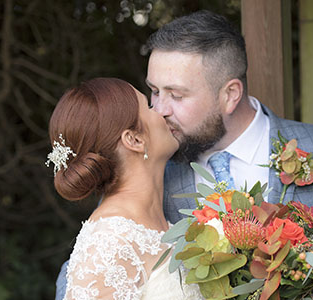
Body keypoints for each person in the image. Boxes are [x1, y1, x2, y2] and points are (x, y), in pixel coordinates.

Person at [55, 10, 313, 299]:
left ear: (230, 94)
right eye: (154, 91)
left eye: (175, 95)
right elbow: (85, 275)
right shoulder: (149, 174)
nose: (160, 109)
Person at [47, 78, 202, 299]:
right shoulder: (109, 243)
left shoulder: (160, 223)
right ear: (134, 139)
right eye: (149, 106)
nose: (162, 111)